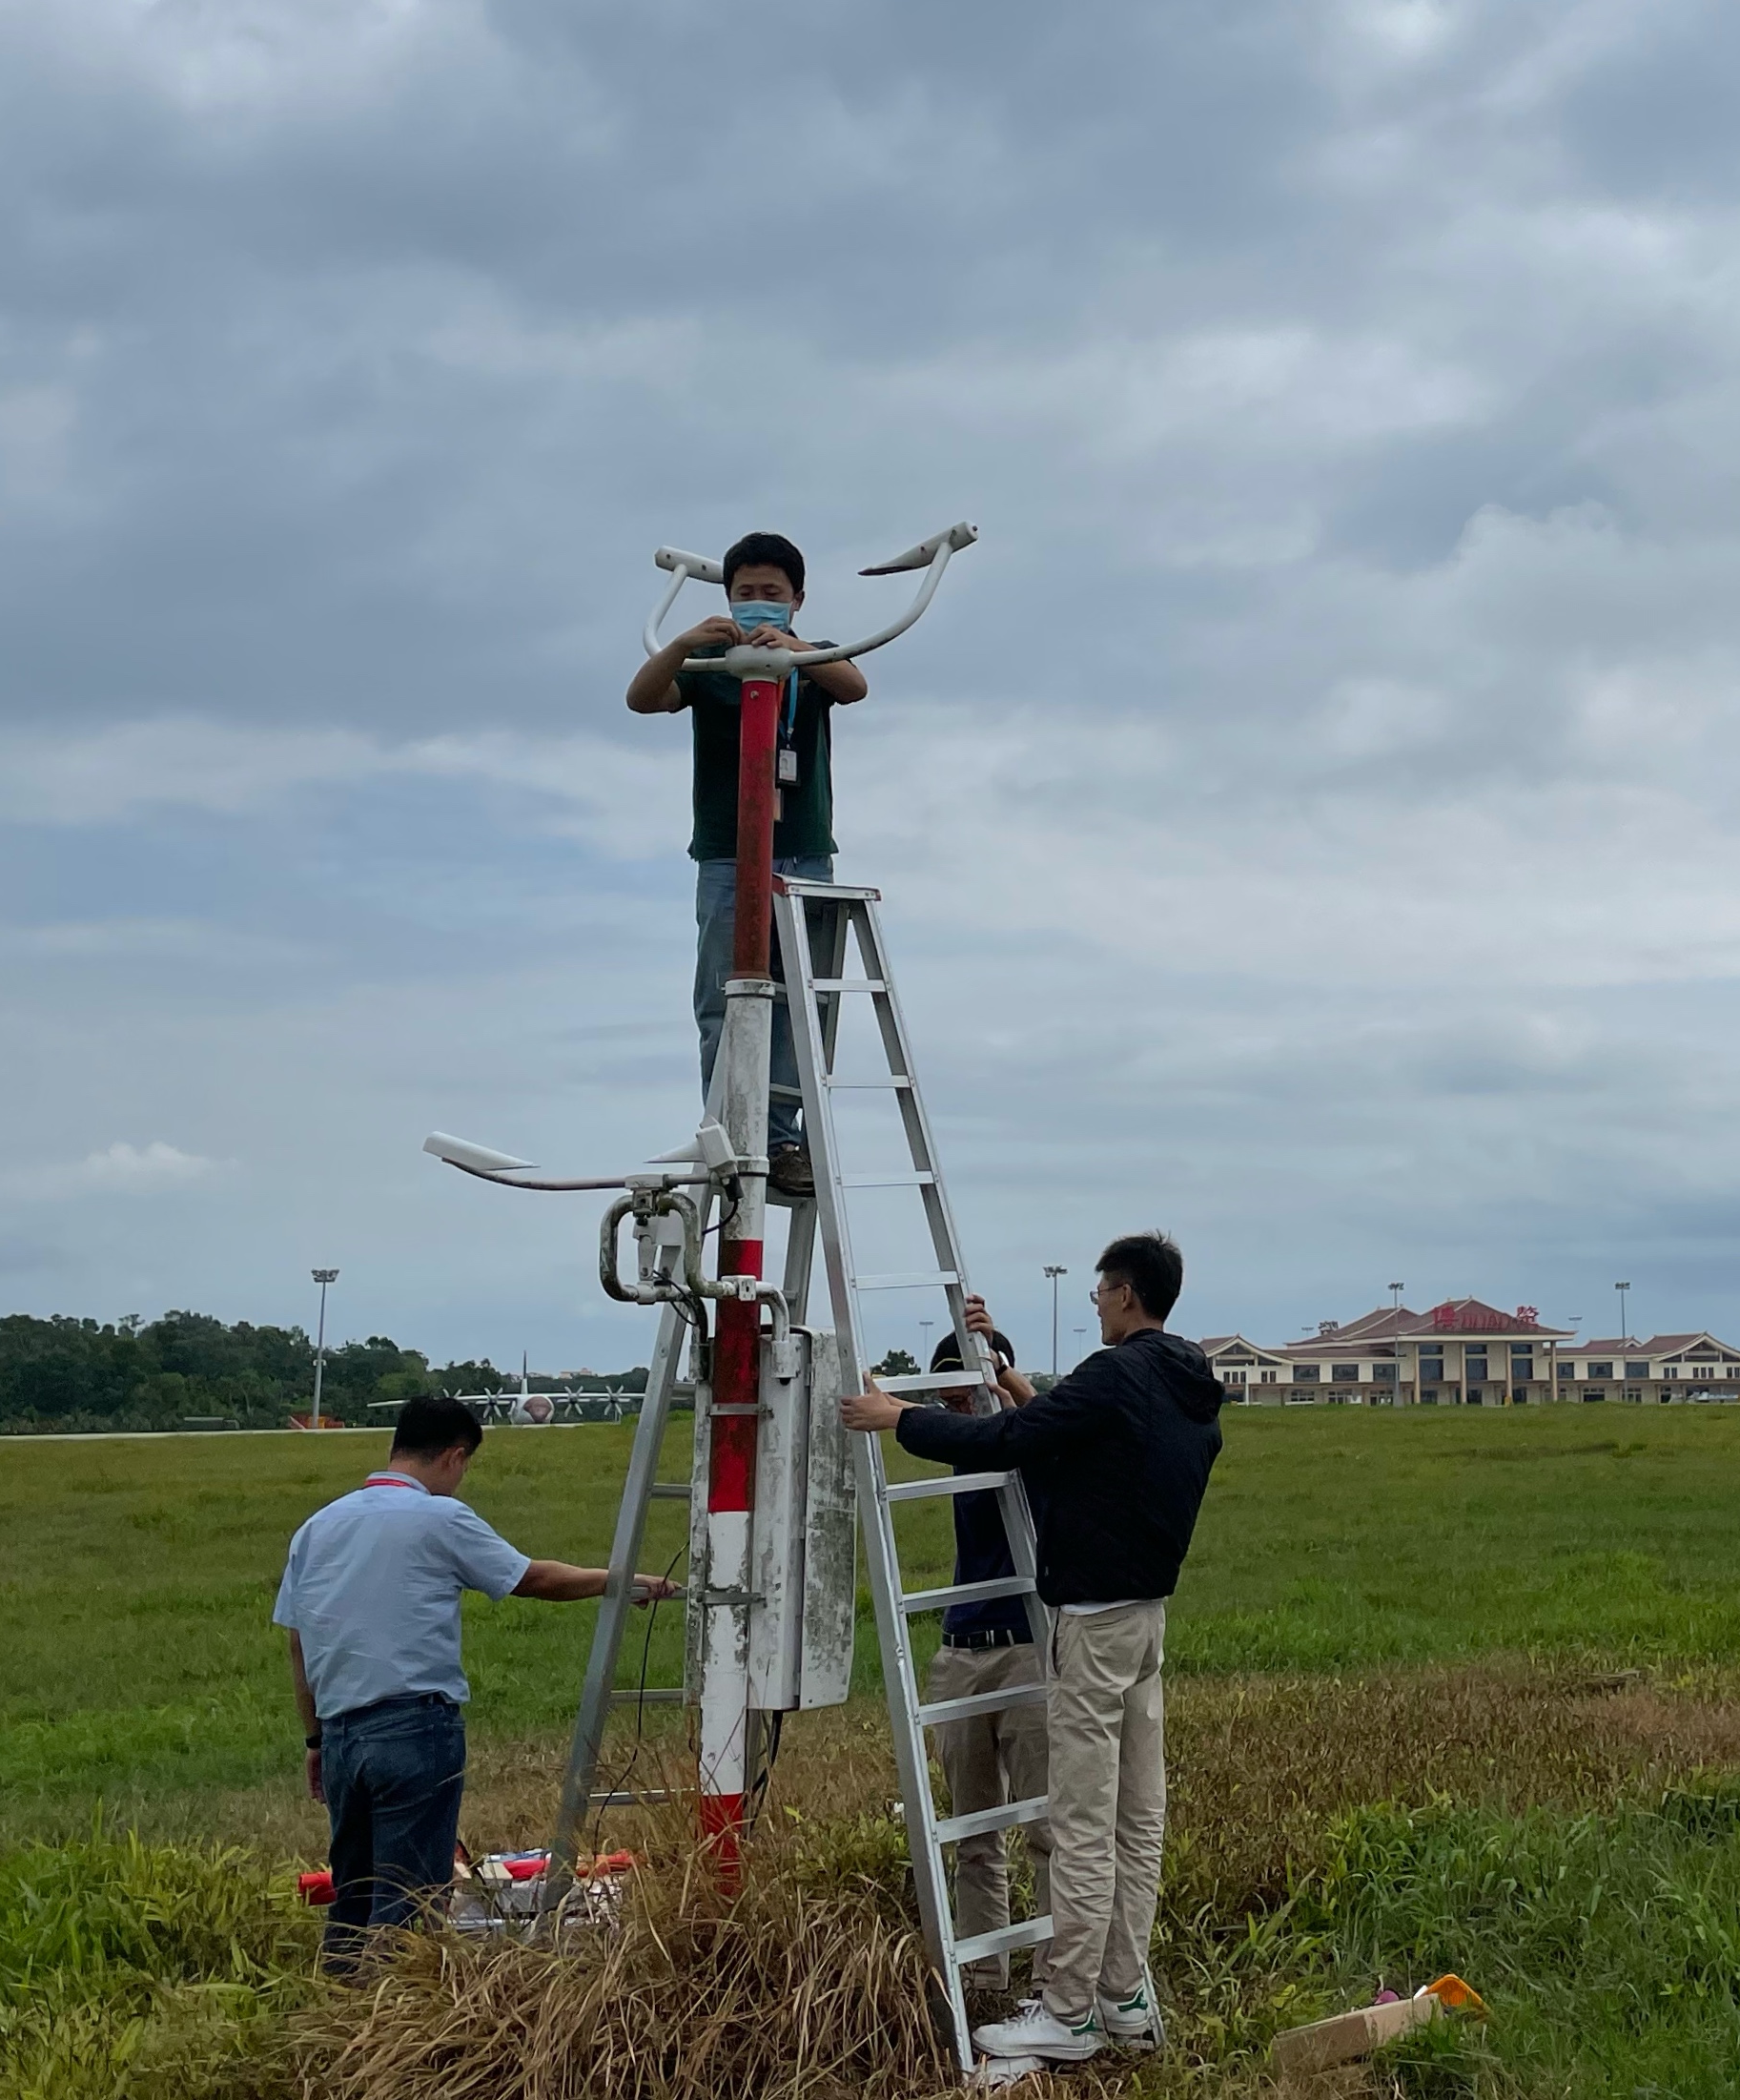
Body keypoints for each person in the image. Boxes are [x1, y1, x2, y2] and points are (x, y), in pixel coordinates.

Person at [842, 1234, 1223, 2062]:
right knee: (1136, 1817)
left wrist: (898, 1416)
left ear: (1123, 1294)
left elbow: (1011, 1442)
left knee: (1080, 1822)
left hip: (1088, 1621)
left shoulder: (1116, 1373)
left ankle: (1070, 2012)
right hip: (1147, 1617)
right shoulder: (1183, 1381)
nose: (1093, 1306)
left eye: (1097, 1295)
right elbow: (1063, 1430)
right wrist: (1009, 1378)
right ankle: (1121, 1996)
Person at [274, 1392, 679, 1969]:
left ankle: (336, 2013)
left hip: (341, 1736)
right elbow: (530, 1578)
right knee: (409, 1902)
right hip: (415, 1729)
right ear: (455, 1457)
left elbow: (298, 1642)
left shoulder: (317, 1527)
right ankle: (393, 2030)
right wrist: (623, 1581)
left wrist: (315, 1741)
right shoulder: (438, 1517)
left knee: (354, 1896)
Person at [624, 530, 871, 1200]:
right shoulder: (709, 663)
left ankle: (784, 1136)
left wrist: (793, 650)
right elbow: (642, 698)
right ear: (727, 598)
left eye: (772, 595)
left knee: (797, 1000)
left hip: (803, 852)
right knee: (724, 995)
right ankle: (729, 1126)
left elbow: (854, 686)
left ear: (797, 599)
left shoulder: (812, 658)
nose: (759, 606)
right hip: (727, 853)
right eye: (746, 595)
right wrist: (682, 644)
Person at [923, 1304, 1054, 2001]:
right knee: (973, 1833)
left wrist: (1004, 1375)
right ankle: (982, 1982)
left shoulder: (1033, 1440)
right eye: (946, 1401)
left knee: (1045, 1826)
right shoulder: (963, 1443)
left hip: (1026, 1648)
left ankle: (1058, 1982)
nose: (956, 1412)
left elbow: (1045, 1430)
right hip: (959, 1649)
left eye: (968, 1396)